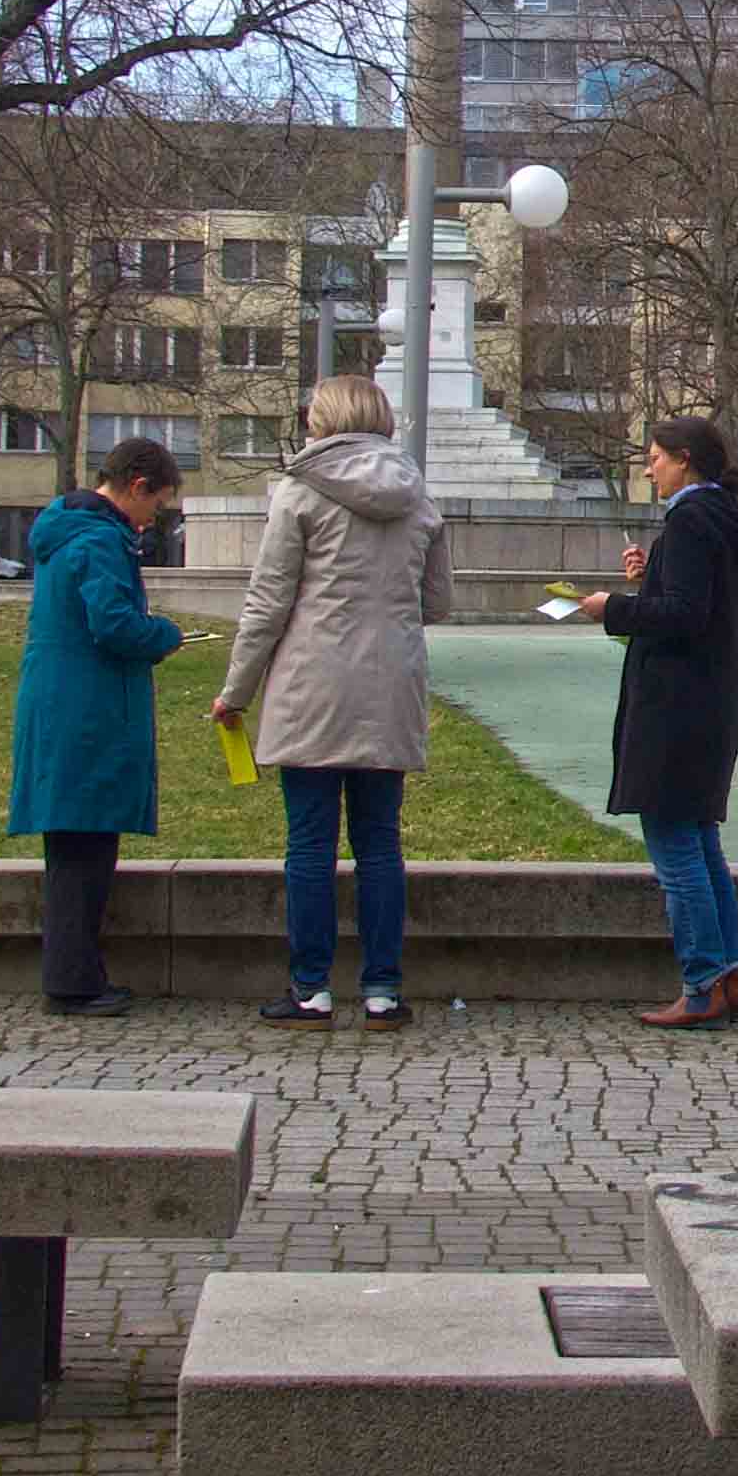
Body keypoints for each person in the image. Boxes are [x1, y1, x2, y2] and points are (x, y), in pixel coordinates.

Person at [210, 373, 452, 1029]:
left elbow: (268, 603)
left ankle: (311, 987)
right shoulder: (417, 497)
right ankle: (383, 990)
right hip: (390, 686)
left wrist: (236, 692)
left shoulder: (299, 493)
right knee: (380, 843)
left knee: (311, 843)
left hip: (312, 685)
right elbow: (438, 603)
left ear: (322, 420)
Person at [586, 413, 738, 1029]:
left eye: (655, 458)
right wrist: (650, 580)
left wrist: (613, 608)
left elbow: (685, 615)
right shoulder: (721, 519)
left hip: (676, 707)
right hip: (712, 702)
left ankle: (702, 984)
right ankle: (726, 976)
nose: (649, 470)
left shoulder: (690, 521)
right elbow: (701, 604)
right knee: (701, 844)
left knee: (675, 850)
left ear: (684, 458)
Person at [11, 436, 191, 1020]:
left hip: (60, 704)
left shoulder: (66, 531)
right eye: (156, 504)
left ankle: (78, 975)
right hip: (86, 711)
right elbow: (113, 624)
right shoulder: (100, 541)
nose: (152, 519)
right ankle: (73, 983)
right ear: (137, 487)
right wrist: (164, 634)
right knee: (84, 850)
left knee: (73, 846)